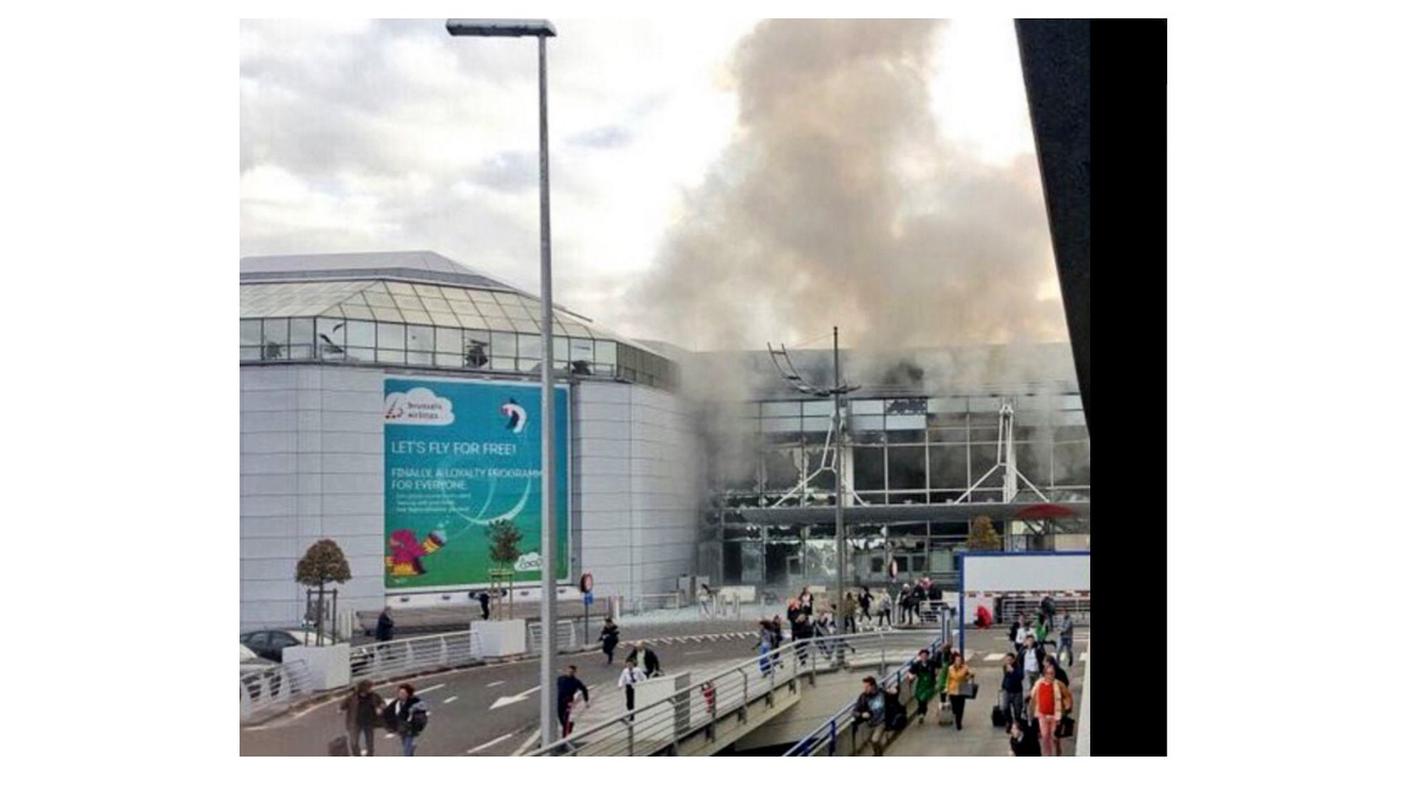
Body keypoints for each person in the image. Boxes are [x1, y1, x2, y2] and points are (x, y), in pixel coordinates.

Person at [1030, 662, 1070, 756]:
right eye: (1048, 673)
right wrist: (1031, 712)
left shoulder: (1059, 684)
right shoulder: (1038, 684)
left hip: (1055, 716)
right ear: (1044, 674)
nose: (1051, 675)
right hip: (1042, 715)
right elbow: (1033, 697)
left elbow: (1067, 695)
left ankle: (1057, 753)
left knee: (1054, 737)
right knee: (1045, 737)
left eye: (1052, 673)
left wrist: (1067, 705)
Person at [339, 679, 385, 756]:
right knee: (353, 743)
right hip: (355, 723)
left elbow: (382, 703)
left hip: (369, 722)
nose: (372, 689)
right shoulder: (352, 697)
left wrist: (380, 708)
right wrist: (340, 710)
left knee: (370, 743)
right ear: (364, 688)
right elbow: (343, 705)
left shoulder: (374, 696)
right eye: (370, 687)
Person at [384, 683, 428, 756]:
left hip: (410, 727)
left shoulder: (414, 701)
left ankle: (409, 750)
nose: (401, 694)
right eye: (400, 693)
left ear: (408, 693)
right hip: (401, 728)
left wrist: (414, 710)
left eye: (403, 693)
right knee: (405, 744)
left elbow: (422, 709)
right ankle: (412, 747)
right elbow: (387, 712)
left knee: (406, 750)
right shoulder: (396, 702)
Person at [850, 676, 888, 756]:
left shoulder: (881, 692)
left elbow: (892, 697)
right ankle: (878, 754)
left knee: (875, 740)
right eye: (864, 687)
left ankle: (878, 754)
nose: (865, 689)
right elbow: (854, 711)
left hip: (882, 722)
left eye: (867, 687)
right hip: (870, 724)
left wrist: (896, 691)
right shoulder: (863, 697)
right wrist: (861, 714)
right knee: (873, 742)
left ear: (873, 686)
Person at [905, 648, 939, 724]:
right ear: (920, 656)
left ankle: (921, 713)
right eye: (922, 656)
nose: (924, 657)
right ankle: (922, 713)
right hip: (920, 684)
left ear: (927, 656)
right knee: (920, 699)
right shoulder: (916, 664)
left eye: (925, 656)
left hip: (929, 685)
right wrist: (911, 677)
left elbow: (939, 667)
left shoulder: (932, 663)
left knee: (923, 698)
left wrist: (936, 673)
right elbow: (910, 672)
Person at [555, 665, 590, 738]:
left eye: (572, 672)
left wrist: (586, 700)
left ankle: (564, 737)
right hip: (560, 700)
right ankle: (569, 726)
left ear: (574, 672)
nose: (570, 673)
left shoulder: (576, 682)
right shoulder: (560, 679)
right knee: (560, 717)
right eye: (569, 671)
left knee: (565, 718)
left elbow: (584, 689)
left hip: (568, 701)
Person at [945, 651, 974, 730]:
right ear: (954, 661)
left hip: (962, 689)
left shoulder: (965, 668)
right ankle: (955, 715)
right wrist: (946, 688)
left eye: (960, 660)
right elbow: (948, 679)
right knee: (954, 707)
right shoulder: (950, 668)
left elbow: (970, 675)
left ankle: (959, 723)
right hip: (952, 690)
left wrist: (969, 676)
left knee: (960, 708)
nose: (958, 662)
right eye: (957, 660)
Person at [1000, 652, 1026, 727]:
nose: (1008, 662)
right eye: (1007, 660)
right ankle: (1009, 721)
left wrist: (1013, 671)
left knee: (1017, 708)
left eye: (1010, 660)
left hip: (1017, 691)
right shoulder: (1005, 667)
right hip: (1007, 690)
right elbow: (1006, 676)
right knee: (1005, 707)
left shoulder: (1018, 666)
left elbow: (1020, 677)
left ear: (1014, 660)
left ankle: (1017, 721)